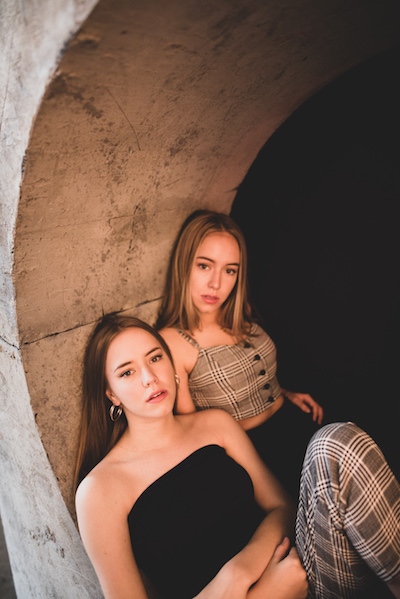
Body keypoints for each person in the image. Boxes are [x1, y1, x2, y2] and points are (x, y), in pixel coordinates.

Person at [74, 313, 400, 599]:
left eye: (155, 358)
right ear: (110, 393)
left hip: (301, 576)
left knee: (335, 441)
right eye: (127, 372)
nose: (149, 378)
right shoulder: (100, 489)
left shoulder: (214, 424)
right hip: (274, 590)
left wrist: (239, 571)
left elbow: (282, 507)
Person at [155, 209, 324, 499]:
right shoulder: (172, 342)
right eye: (205, 266)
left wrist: (283, 394)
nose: (216, 284)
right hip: (257, 455)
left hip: (296, 424)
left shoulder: (241, 317)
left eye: (230, 270)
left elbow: (246, 375)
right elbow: (195, 434)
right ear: (184, 266)